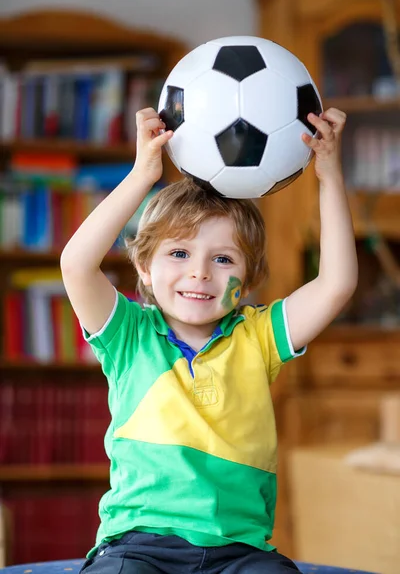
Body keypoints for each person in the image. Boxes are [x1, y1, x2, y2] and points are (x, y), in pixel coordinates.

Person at [60, 106, 357, 574]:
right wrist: (142, 174)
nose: (199, 272)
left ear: (250, 276)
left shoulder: (258, 336)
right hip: (139, 545)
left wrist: (329, 177)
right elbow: (76, 264)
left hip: (240, 551)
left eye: (223, 259)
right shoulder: (129, 336)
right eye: (178, 253)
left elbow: (336, 283)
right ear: (144, 268)